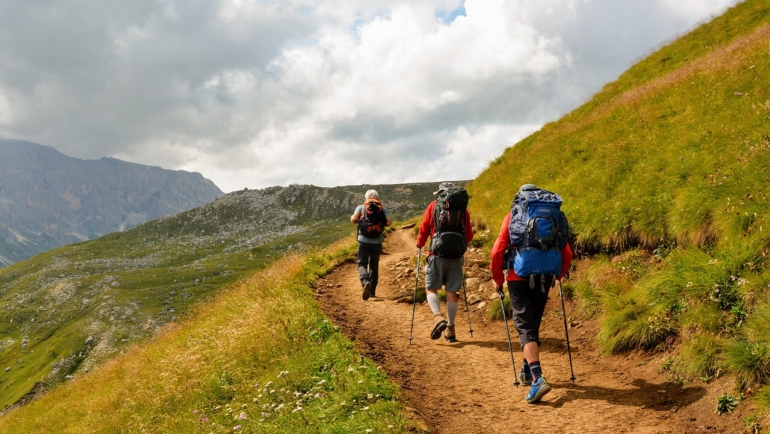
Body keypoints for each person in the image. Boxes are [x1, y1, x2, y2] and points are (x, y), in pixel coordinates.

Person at [490, 184, 573, 404]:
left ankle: (537, 378)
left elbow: (498, 249)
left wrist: (498, 279)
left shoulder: (514, 215)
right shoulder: (554, 215)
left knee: (525, 328)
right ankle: (527, 371)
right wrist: (558, 274)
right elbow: (566, 250)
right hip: (545, 276)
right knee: (533, 324)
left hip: (518, 277)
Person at [416, 182, 474, 342]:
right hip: (456, 255)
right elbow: (468, 236)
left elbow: (424, 227)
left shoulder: (434, 206)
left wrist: (420, 244)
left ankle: (437, 317)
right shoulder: (463, 210)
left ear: (441, 193)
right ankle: (450, 328)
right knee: (451, 292)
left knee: (431, 288)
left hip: (436, 253)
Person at [351, 189, 392, 300]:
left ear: (366, 197)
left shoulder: (361, 207)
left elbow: (354, 220)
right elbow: (388, 223)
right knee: (374, 266)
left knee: (361, 264)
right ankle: (372, 292)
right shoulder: (382, 208)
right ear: (377, 197)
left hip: (363, 240)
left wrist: (358, 217)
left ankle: (365, 282)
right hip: (377, 241)